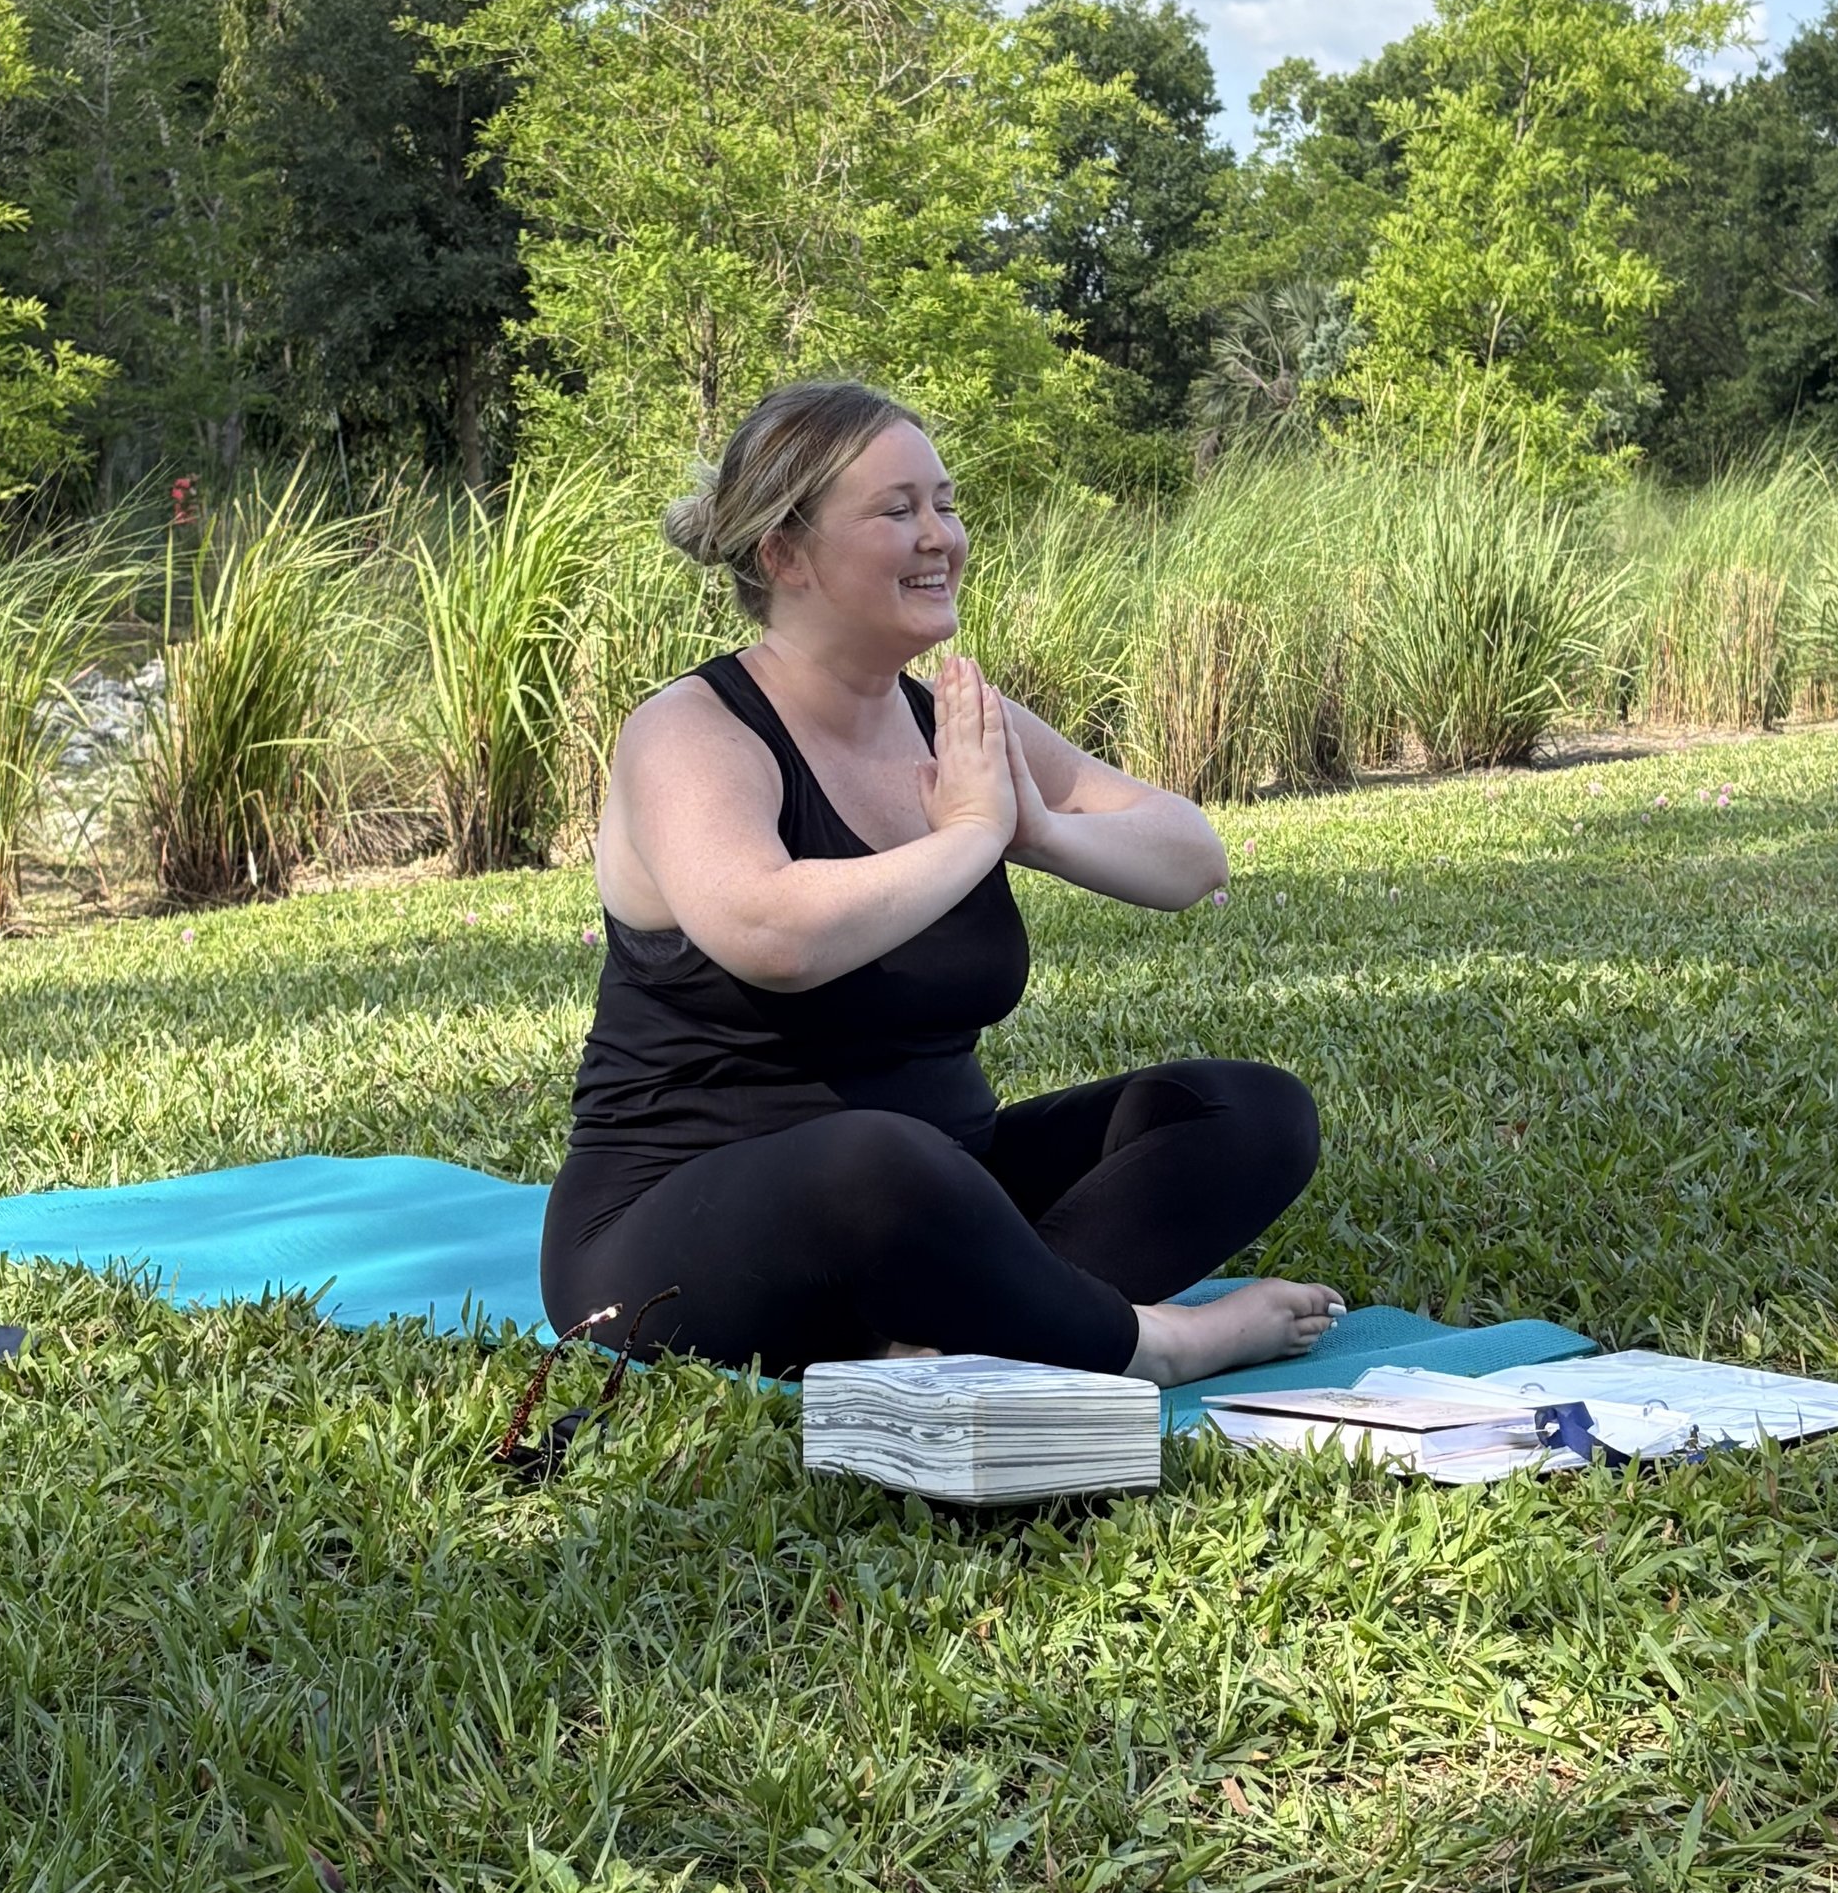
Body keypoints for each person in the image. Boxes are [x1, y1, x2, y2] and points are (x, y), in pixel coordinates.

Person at [540, 380, 1341, 1386]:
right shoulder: (692, 732)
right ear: (782, 554)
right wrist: (970, 832)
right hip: (673, 1229)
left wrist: (1037, 828)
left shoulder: (949, 720)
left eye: (946, 505)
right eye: (896, 511)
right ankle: (1146, 1345)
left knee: (1245, 1111)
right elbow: (770, 936)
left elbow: (1190, 856)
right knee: (876, 1159)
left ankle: (973, 1332)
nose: (939, 537)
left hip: (938, 1192)